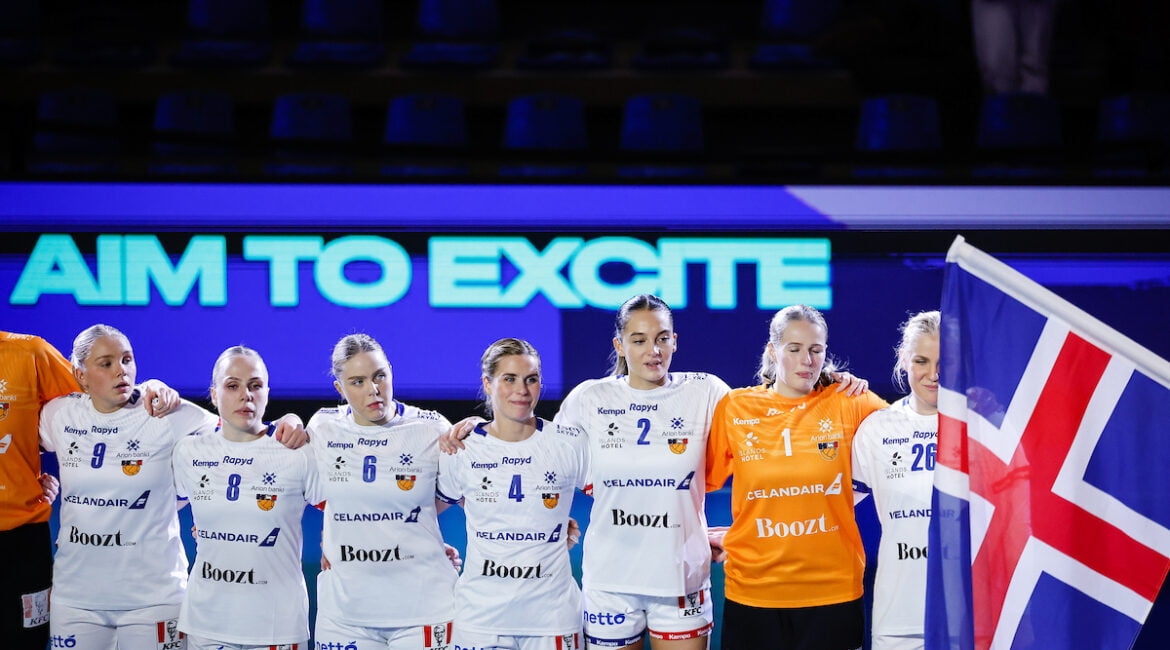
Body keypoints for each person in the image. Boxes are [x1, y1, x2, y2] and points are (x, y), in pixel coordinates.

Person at [443, 295, 866, 649]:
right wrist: (481, 431)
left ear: (675, 341)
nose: (653, 350)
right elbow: (540, 453)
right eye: (639, 340)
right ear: (620, 345)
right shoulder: (589, 398)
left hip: (681, 578)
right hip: (610, 580)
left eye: (662, 338)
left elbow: (773, 416)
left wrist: (828, 382)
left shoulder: (707, 391)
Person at [37, 324, 306, 650]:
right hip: (75, 596)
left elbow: (242, 430)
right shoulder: (59, 415)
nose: (121, 371)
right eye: (106, 364)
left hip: (154, 597)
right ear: (80, 375)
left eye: (127, 360)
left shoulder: (167, 413)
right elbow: (18, 447)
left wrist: (289, 421)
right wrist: (37, 484)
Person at [705, 304, 888, 650]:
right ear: (773, 351)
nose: (807, 360)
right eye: (794, 349)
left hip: (833, 592)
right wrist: (695, 535)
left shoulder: (851, 401)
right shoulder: (736, 407)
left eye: (816, 350)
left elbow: (911, 433)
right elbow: (691, 481)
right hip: (754, 591)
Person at [307, 333, 460, 650]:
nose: (373, 389)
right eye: (357, 382)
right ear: (340, 388)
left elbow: (470, 496)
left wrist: (419, 533)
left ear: (391, 372)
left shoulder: (430, 428)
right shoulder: (322, 428)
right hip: (345, 615)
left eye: (380, 376)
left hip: (426, 609)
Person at [438, 338, 588, 650]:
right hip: (480, 619)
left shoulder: (569, 443)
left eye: (531, 379)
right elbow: (418, 514)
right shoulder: (462, 448)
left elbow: (619, 495)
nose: (522, 390)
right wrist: (430, 550)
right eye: (509, 379)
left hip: (553, 618)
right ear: (487, 384)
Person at [172, 345, 323, 649]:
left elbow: (349, 510)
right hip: (206, 623)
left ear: (267, 392)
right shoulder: (189, 452)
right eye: (233, 386)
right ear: (214, 395)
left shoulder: (297, 452)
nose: (246, 395)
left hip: (276, 626)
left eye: (255, 386)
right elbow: (154, 508)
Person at [851, 311, 940, 650]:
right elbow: (831, 511)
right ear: (904, 359)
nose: (933, 374)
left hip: (972, 616)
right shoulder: (877, 429)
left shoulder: (981, 426)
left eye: (944, 362)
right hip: (899, 617)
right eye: (921, 361)